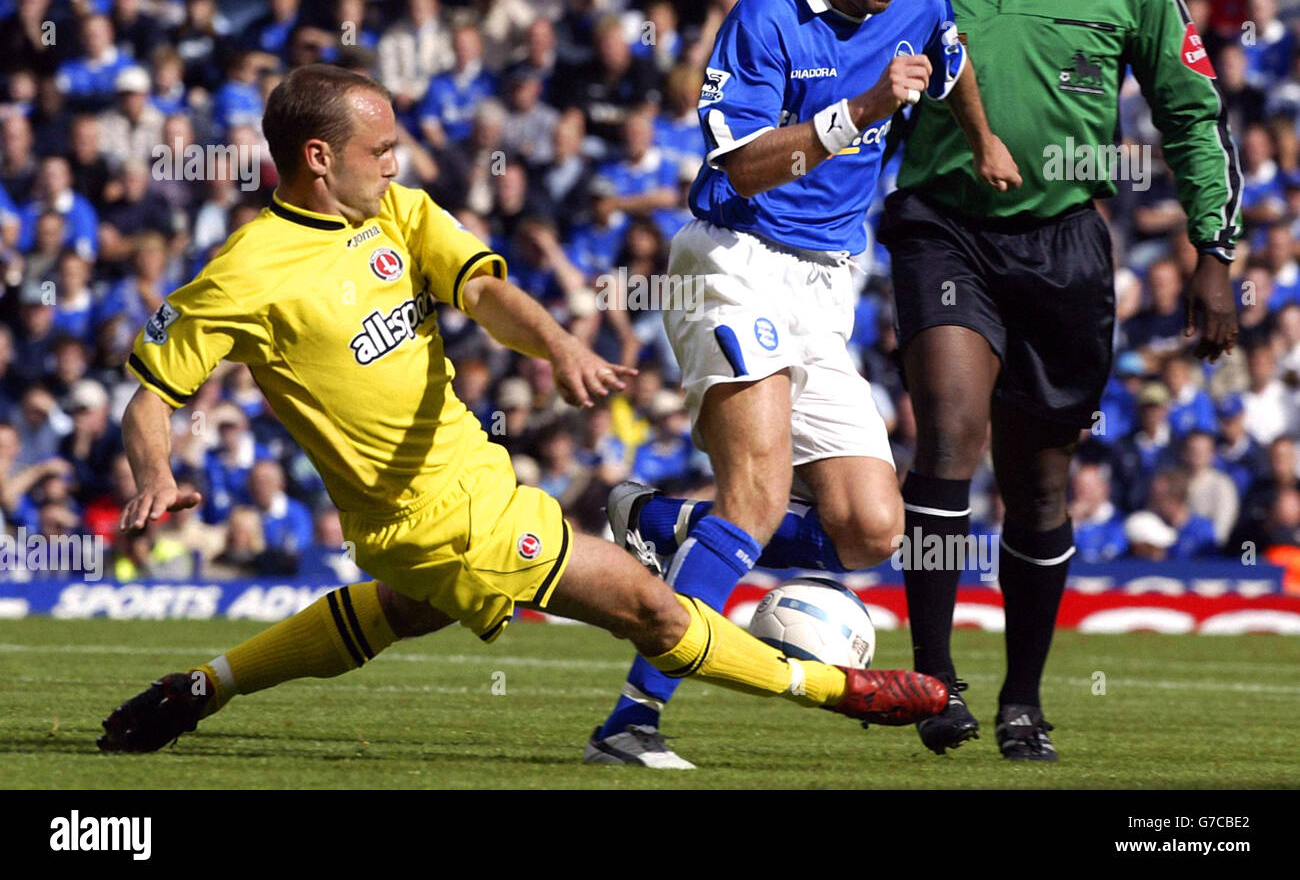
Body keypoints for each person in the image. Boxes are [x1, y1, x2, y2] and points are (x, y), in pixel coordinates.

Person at [96, 64, 947, 754]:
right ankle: (843, 691)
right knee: (650, 608)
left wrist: (560, 347)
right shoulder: (246, 275)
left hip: (474, 484)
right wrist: (158, 473)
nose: (396, 163)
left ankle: (199, 689)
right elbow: (152, 395)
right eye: (380, 149)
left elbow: (485, 291)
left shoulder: (395, 212)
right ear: (319, 157)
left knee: (403, 611)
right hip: (439, 523)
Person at [585, 0, 1015, 768]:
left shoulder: (921, 2)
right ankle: (631, 720)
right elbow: (736, 165)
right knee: (755, 490)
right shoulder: (767, 15)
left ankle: (662, 524)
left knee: (869, 528)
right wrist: (858, 110)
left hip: (827, 284)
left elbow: (952, 60)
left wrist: (984, 141)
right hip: (735, 260)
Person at [876, 0, 1240, 760]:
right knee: (946, 436)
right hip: (941, 228)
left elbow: (1192, 116)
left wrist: (1215, 251)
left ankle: (1023, 701)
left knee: (1039, 487)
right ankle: (933, 679)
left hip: (1065, 246)